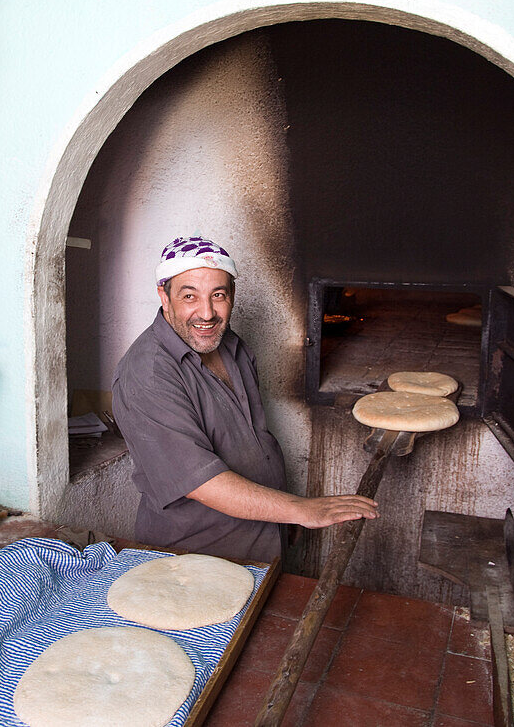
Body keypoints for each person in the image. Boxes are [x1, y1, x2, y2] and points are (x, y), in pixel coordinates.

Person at [111, 237, 379, 562]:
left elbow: (254, 441)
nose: (207, 313)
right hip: (194, 558)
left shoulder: (231, 346)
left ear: (232, 296)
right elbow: (201, 483)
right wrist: (300, 510)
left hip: (260, 541)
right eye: (189, 296)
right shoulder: (148, 373)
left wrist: (281, 517)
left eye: (218, 295)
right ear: (164, 298)